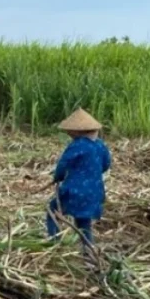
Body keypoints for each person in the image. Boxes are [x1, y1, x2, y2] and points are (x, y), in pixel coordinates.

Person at [47, 108, 112, 258]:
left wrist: (58, 177)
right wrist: (93, 173)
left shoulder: (77, 145)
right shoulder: (100, 145)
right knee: (83, 220)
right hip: (95, 190)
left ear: (75, 132)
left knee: (53, 210)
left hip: (75, 189)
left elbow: (63, 164)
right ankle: (88, 250)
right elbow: (106, 164)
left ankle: (53, 242)